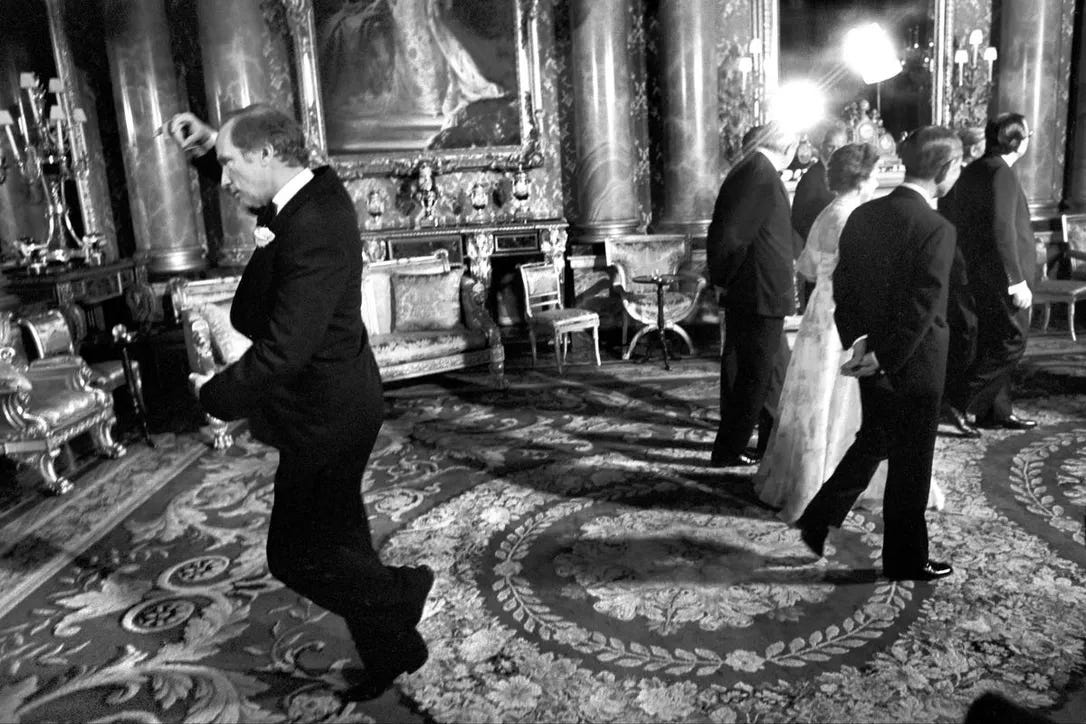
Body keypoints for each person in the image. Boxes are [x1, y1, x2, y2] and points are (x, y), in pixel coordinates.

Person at [166, 104, 434, 701]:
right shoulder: (305, 192)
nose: (227, 178)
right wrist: (213, 147)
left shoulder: (312, 224)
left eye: (233, 164)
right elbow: (252, 177)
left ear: (266, 156)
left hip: (327, 417)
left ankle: (404, 591)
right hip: (332, 405)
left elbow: (284, 351)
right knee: (342, 545)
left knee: (293, 555)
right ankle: (394, 649)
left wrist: (214, 396)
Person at [795, 126, 963, 582]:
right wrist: (885, 355)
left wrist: (861, 341)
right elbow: (922, 307)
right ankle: (907, 559)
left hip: (874, 350)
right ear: (946, 170)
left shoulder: (865, 215)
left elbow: (844, 287)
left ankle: (819, 516)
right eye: (958, 165)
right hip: (914, 360)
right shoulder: (936, 228)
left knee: (876, 438)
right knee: (911, 462)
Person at [707, 122, 800, 468]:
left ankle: (767, 445)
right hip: (756, 293)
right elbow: (731, 237)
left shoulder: (753, 170)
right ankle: (729, 451)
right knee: (754, 378)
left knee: (770, 374)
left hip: (757, 292)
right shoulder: (758, 173)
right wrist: (724, 280)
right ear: (788, 150)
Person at [941, 113, 1037, 432]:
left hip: (981, 274)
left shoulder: (978, 170)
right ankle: (958, 401)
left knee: (994, 339)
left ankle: (997, 410)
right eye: (1028, 134)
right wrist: (1016, 281)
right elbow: (1001, 230)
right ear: (1017, 141)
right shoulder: (1001, 173)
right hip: (1001, 277)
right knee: (1012, 341)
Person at [937, 126, 986, 437]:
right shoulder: (956, 180)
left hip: (966, 265)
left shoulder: (968, 176)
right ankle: (952, 402)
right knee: (965, 332)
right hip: (958, 265)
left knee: (968, 332)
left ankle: (957, 400)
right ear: (971, 148)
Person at [791, 124, 849, 307]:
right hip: (820, 262)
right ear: (822, 147)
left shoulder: (841, 174)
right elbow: (799, 219)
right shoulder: (812, 178)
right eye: (831, 146)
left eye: (840, 146)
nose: (835, 151)